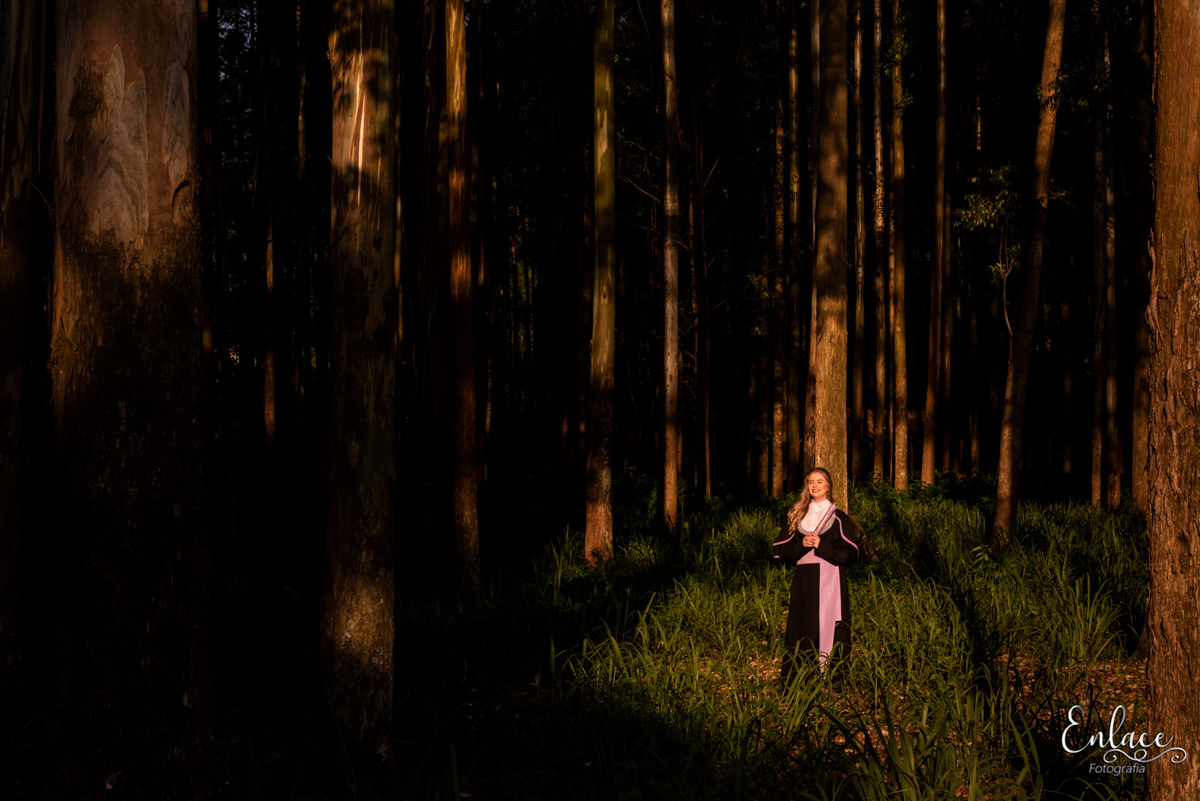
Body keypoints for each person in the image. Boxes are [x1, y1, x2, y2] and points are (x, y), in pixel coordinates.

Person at [771, 467, 860, 679]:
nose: (815, 485)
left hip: (831, 580)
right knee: (802, 626)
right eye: (811, 482)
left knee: (831, 627)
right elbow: (781, 550)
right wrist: (802, 544)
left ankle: (832, 678)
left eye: (819, 481)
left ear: (828, 486)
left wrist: (822, 546)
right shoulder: (797, 516)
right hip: (803, 580)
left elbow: (850, 555)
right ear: (806, 486)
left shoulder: (839, 518)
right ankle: (800, 677)